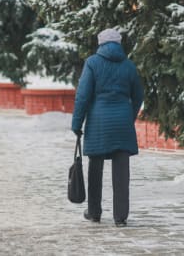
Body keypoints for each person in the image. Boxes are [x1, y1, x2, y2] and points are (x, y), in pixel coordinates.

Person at [71, 28, 144, 227]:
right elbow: (138, 95)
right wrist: (129, 116)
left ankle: (94, 212)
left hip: (98, 122)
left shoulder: (93, 63)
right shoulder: (128, 65)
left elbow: (83, 96)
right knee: (122, 172)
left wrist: (77, 124)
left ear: (100, 43)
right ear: (119, 44)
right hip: (122, 122)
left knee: (96, 168)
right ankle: (120, 217)